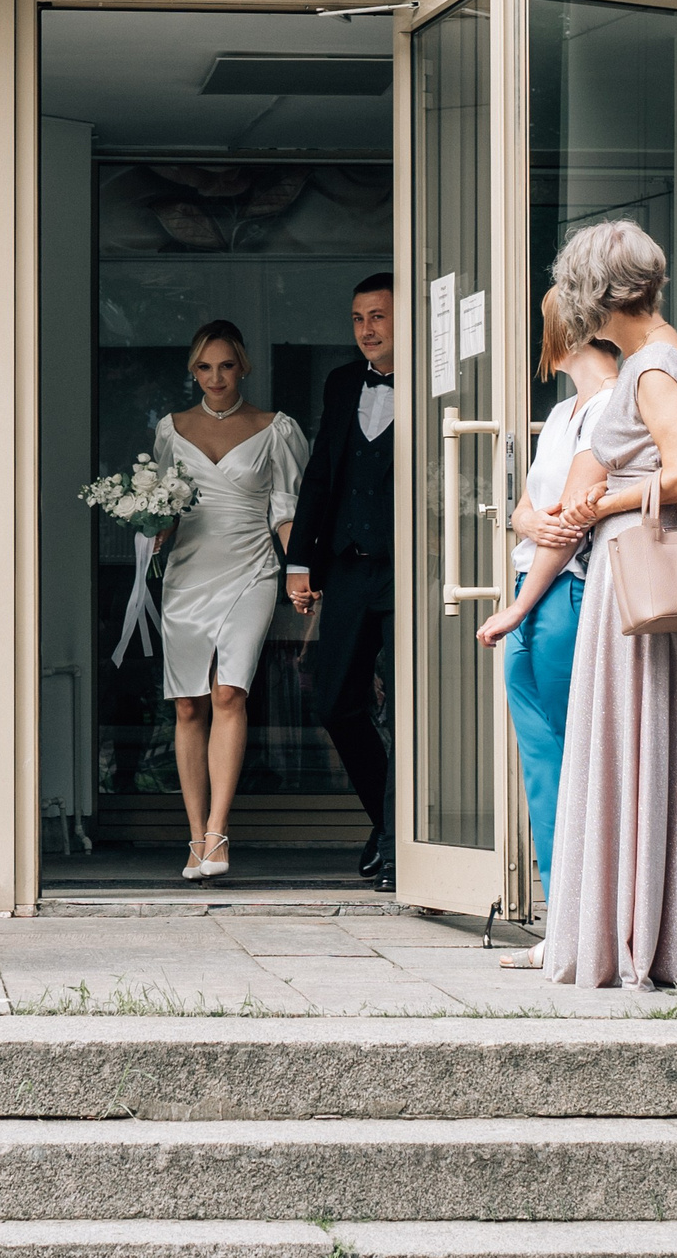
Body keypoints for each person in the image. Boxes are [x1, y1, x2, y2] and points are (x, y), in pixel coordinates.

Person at [541, 221, 677, 991]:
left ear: (594, 293)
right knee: (672, 745)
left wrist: (603, 505)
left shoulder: (651, 368)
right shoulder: (670, 356)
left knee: (648, 738)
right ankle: (669, 924)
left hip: (644, 579)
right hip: (661, 576)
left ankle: (653, 932)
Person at [473, 290, 622, 969]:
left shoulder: (615, 405)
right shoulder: (563, 412)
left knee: (581, 760)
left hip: (565, 593)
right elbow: (531, 512)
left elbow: (568, 529)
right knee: (544, 764)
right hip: (537, 590)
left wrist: (517, 605)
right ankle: (565, 918)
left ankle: (593, 922)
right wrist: (533, 527)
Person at [151, 321, 311, 882]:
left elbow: (287, 510)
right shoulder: (170, 431)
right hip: (187, 575)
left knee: (228, 692)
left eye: (224, 365)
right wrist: (147, 523)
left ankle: (219, 834)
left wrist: (300, 571)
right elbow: (163, 507)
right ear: (192, 371)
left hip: (251, 569)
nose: (215, 377)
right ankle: (194, 838)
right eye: (204, 367)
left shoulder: (276, 429)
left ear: (242, 366)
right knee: (188, 703)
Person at [285, 275, 401, 891]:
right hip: (351, 566)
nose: (367, 329)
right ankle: (390, 825)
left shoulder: (439, 386)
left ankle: (397, 847)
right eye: (359, 318)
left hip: (412, 568)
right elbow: (321, 477)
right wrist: (300, 562)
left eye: (379, 316)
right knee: (335, 702)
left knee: (409, 712)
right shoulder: (340, 383)